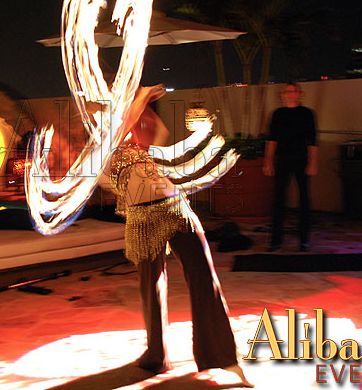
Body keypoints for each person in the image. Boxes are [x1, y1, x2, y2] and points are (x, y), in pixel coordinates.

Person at [99, 84, 253, 387]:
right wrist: (139, 95)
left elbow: (159, 132)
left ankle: (223, 358)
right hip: (142, 221)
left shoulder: (142, 143)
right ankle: (156, 354)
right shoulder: (105, 140)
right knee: (151, 289)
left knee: (205, 279)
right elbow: (117, 129)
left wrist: (146, 103)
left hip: (175, 208)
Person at [263, 82, 317, 252]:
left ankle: (304, 240)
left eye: (294, 91)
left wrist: (313, 162)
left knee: (304, 200)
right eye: (288, 91)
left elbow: (313, 140)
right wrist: (268, 161)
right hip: (283, 159)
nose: (291, 94)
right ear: (282, 95)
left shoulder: (307, 114)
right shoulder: (278, 114)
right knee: (278, 199)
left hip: (301, 159)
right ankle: (276, 240)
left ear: (300, 94)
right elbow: (272, 140)